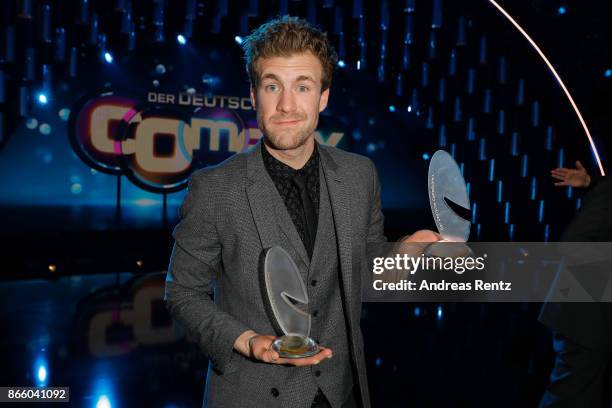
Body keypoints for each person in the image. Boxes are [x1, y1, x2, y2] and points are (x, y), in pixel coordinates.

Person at [164, 16, 439, 408]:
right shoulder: (215, 188)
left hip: (341, 392)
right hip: (252, 397)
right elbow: (182, 293)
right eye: (272, 85)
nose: (287, 105)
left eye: (303, 87)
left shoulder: (360, 174)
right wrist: (247, 342)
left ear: (323, 97)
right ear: (254, 94)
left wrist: (403, 254)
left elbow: (366, 270)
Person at [540, 161, 612, 407]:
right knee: (570, 397)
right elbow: (573, 244)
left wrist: (591, 183)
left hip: (586, 314)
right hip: (584, 315)